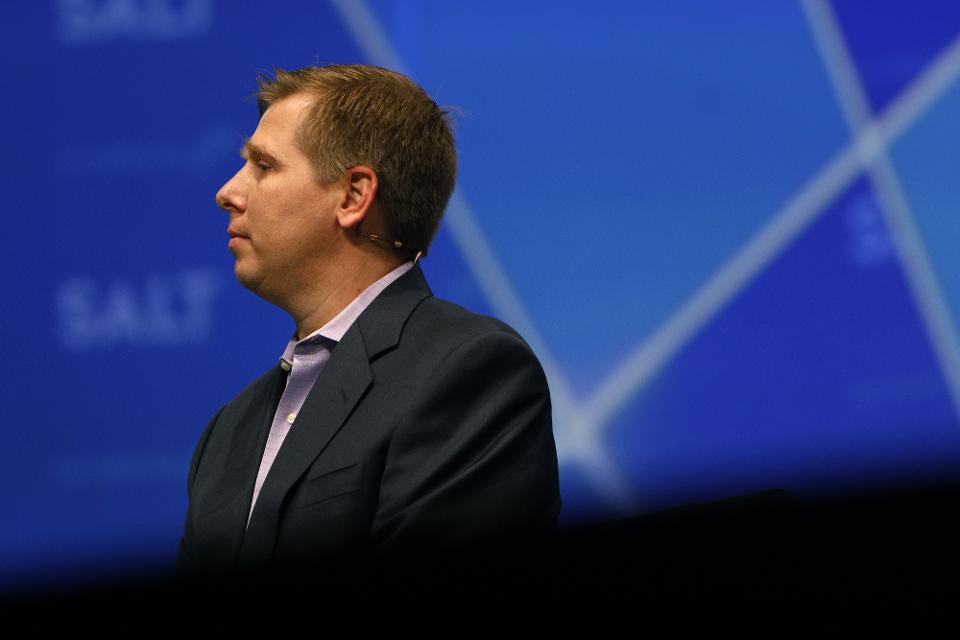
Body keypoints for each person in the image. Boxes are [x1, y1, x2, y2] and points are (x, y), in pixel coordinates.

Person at [177, 64, 561, 577]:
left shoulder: (469, 371)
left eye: (263, 166)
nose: (227, 191)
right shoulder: (227, 432)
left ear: (354, 196)